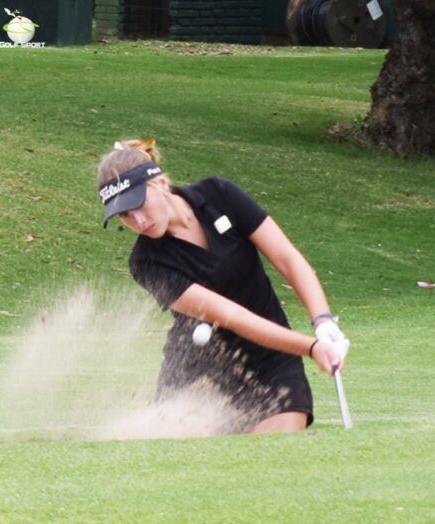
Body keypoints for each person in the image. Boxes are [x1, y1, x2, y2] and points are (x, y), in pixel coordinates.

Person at [96, 138, 349, 434]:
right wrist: (311, 347)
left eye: (139, 203)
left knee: (277, 453)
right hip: (199, 376)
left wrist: (323, 321)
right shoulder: (146, 263)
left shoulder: (219, 195)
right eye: (125, 215)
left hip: (271, 362)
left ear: (162, 182)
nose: (138, 220)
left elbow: (288, 259)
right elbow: (231, 317)